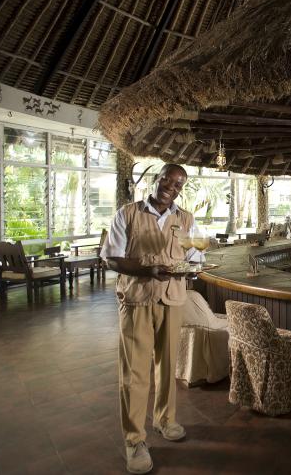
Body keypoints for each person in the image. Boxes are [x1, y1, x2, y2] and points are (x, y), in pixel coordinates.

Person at [101, 164, 204, 474]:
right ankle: (134, 440)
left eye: (177, 184)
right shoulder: (127, 214)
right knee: (134, 372)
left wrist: (194, 267)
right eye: (166, 180)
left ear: (181, 189)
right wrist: (146, 270)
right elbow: (110, 258)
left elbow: (194, 257)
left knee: (168, 364)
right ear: (157, 179)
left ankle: (165, 420)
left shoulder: (185, 219)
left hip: (172, 299)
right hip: (136, 299)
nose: (170, 187)